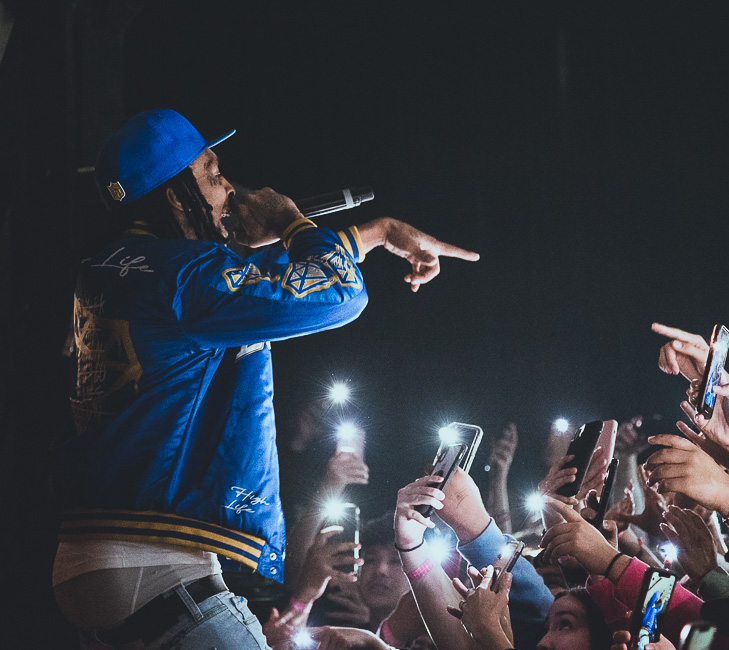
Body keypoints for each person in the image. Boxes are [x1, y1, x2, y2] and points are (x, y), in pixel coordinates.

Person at [50, 108, 478, 648]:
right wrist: (291, 223)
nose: (229, 188)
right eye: (211, 174)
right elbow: (336, 294)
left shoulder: (109, 269)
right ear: (176, 197)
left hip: (96, 559)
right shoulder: (187, 276)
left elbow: (252, 284)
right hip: (157, 566)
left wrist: (379, 231)